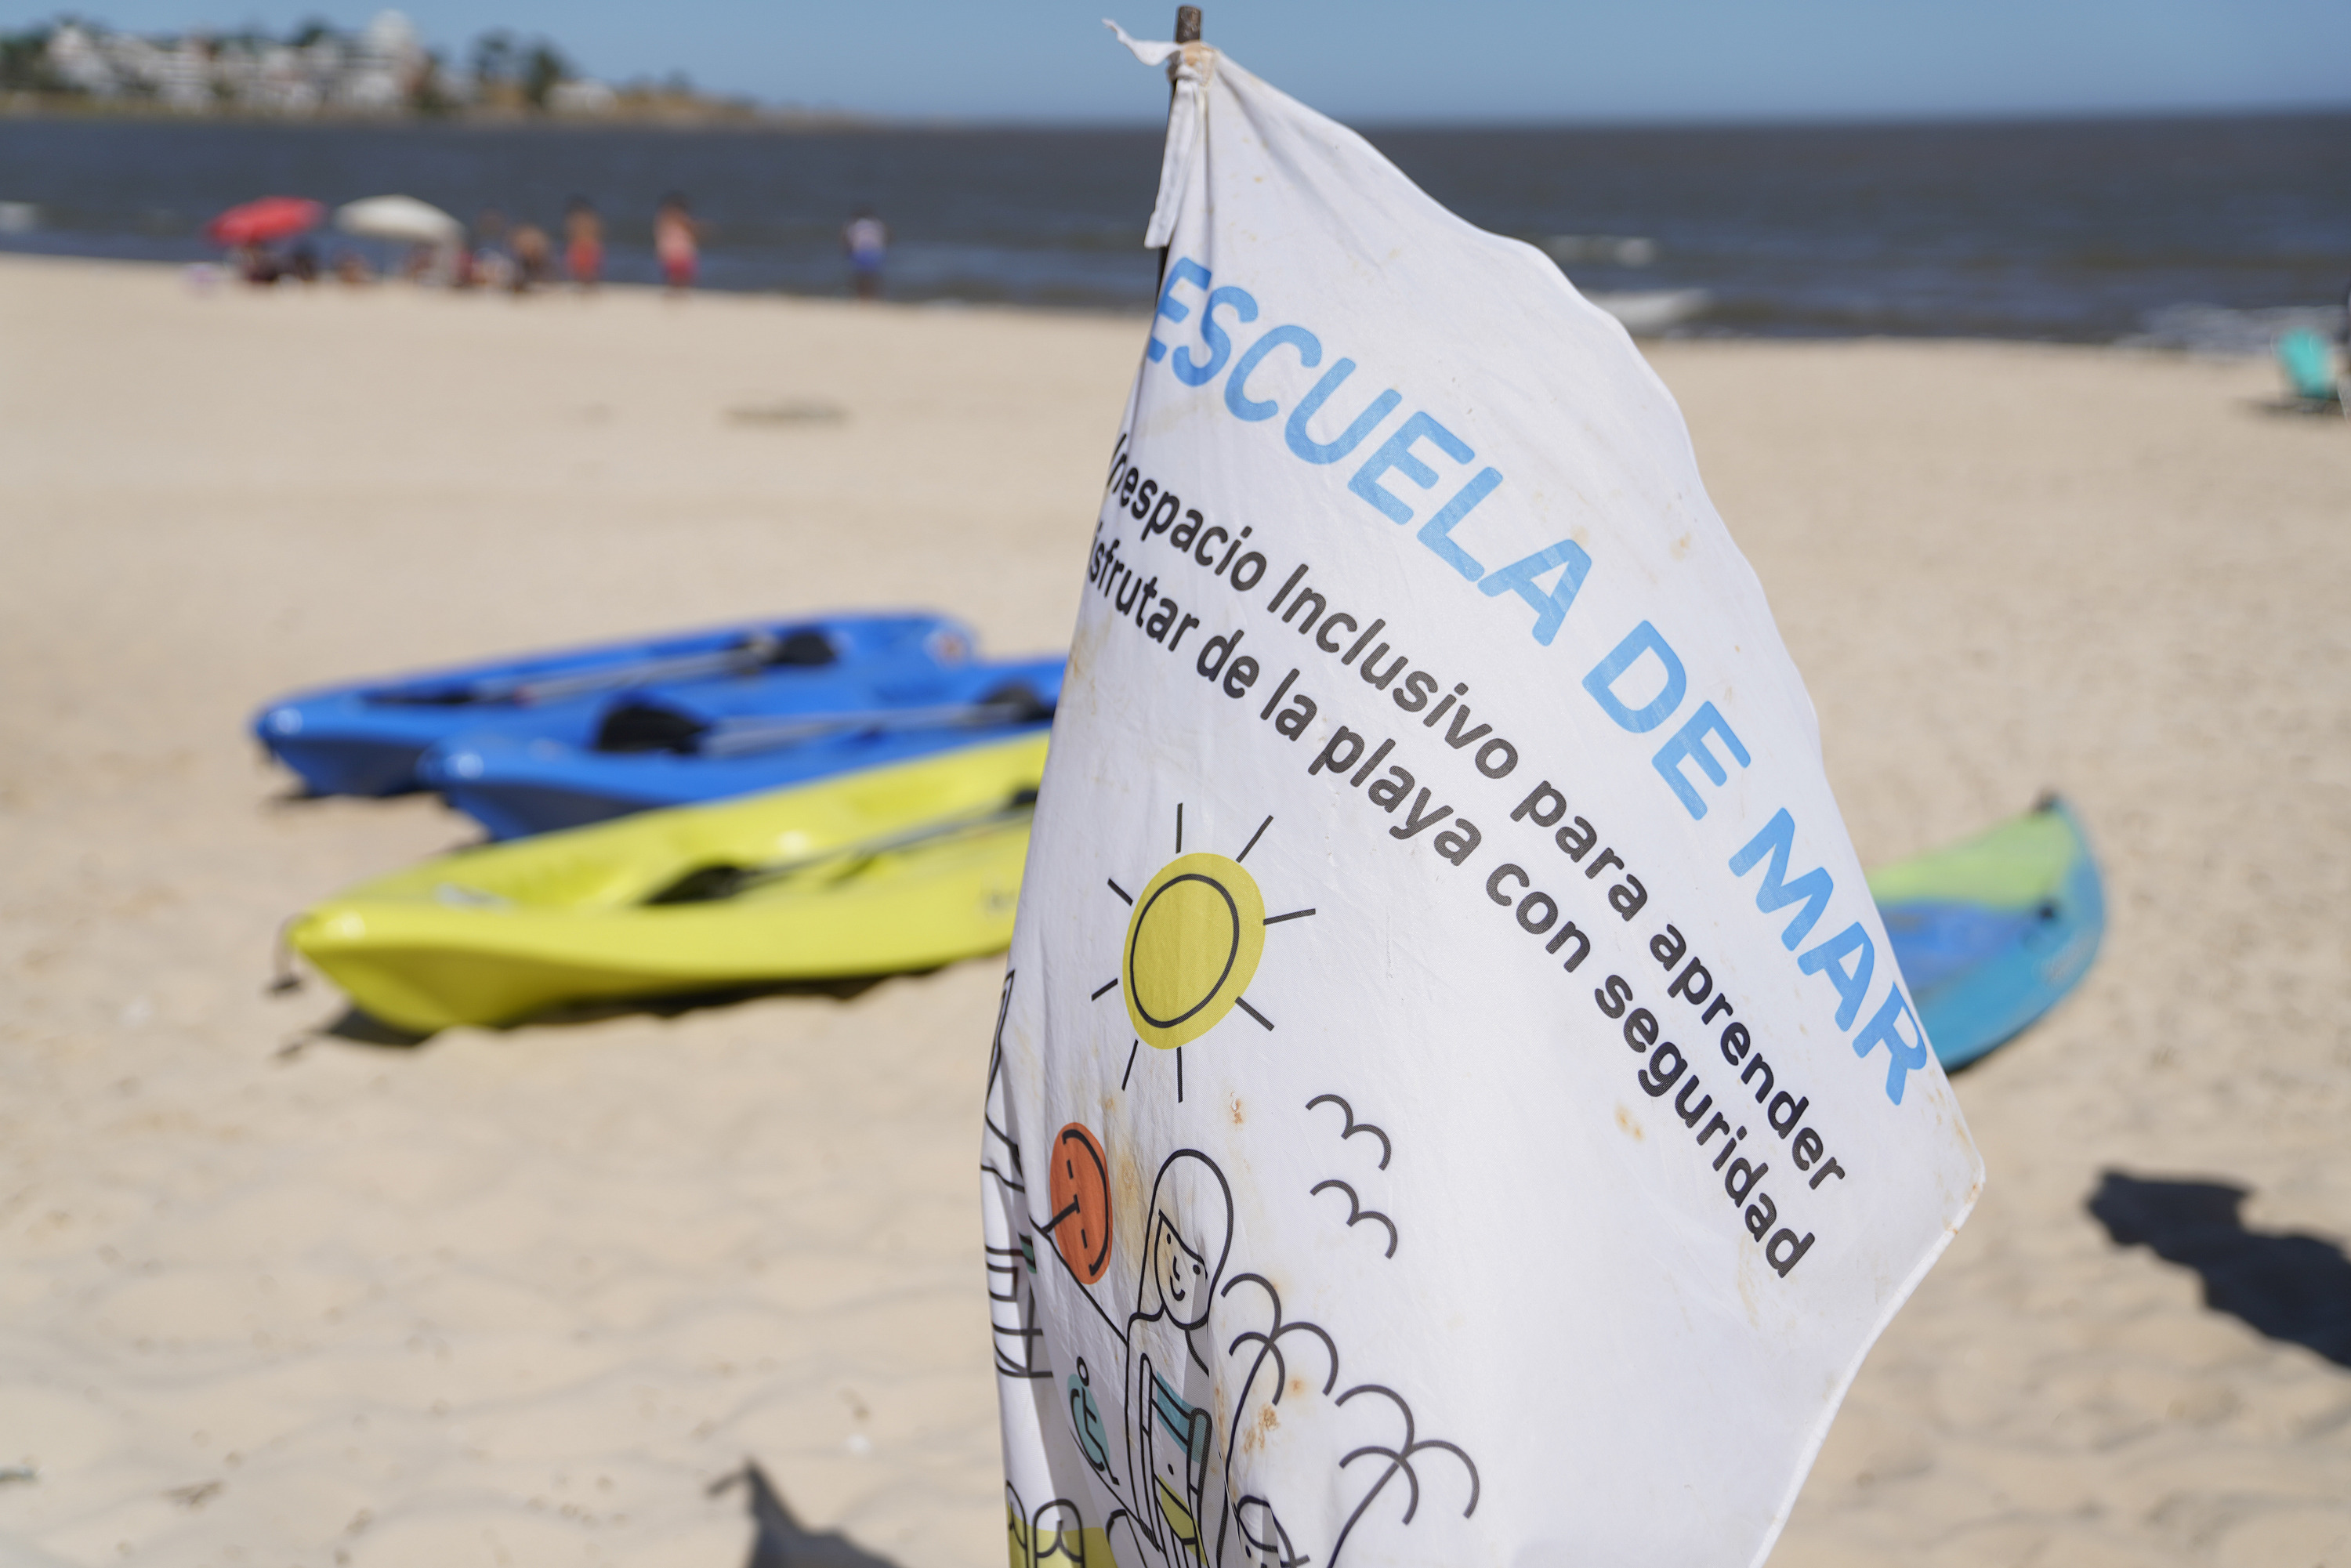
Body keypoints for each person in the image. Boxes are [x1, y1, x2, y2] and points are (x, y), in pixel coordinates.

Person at [655, 194, 699, 294]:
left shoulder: (663, 220)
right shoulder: (680, 220)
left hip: (671, 254)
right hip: (679, 255)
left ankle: (675, 294)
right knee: (680, 280)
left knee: (676, 280)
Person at [843, 206, 888, 301]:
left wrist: (847, 252)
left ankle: (862, 297)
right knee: (873, 277)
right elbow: (888, 236)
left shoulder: (855, 224)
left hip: (860, 252)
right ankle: (873, 297)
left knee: (861, 277)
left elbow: (847, 239)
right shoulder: (877, 223)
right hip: (875, 252)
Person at [564, 197, 602, 291]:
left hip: (584, 246)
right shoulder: (592, 220)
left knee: (584, 268)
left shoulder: (577, 220)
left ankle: (585, 282)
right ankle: (586, 282)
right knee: (585, 269)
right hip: (587, 246)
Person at [510, 223, 552, 293]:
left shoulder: (551, 265)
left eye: (532, 243)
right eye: (525, 244)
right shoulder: (515, 265)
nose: (529, 248)